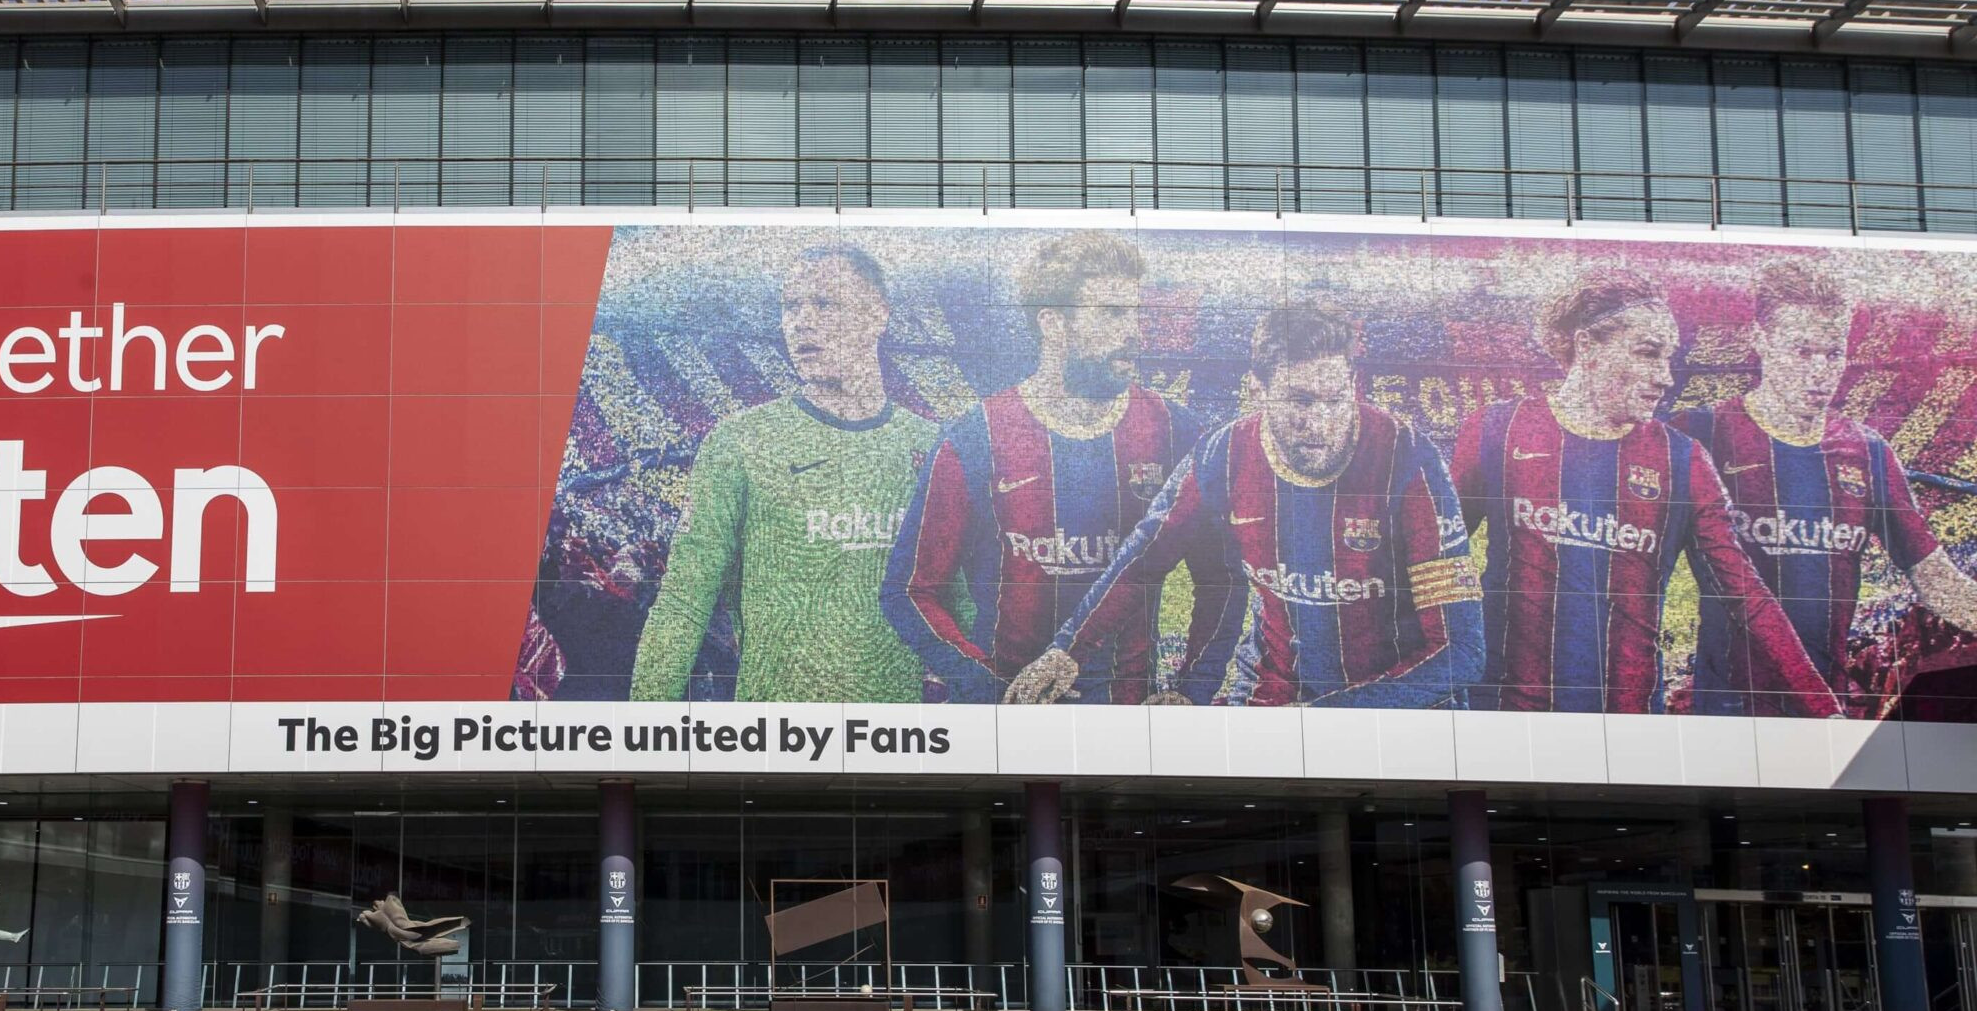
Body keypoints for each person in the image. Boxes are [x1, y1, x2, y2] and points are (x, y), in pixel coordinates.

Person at [1006, 300, 1483, 709]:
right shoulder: (1224, 454)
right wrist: (1067, 650)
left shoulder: (1408, 458)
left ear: (1353, 384)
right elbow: (1144, 558)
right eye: (1299, 401)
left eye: (1336, 400)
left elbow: (1461, 652)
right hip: (1278, 694)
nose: (1319, 422)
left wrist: (1332, 719)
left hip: (1401, 706)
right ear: (1259, 388)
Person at [1451, 270, 1838, 717]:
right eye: (1648, 354)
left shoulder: (1682, 459)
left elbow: (1746, 596)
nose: (1665, 378)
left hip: (1627, 727)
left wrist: (1824, 708)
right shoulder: (1498, 428)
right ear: (1587, 347)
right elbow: (1429, 564)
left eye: (1667, 358)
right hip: (1501, 715)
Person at [882, 232, 1232, 703]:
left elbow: (1223, 579)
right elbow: (909, 591)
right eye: (1110, 313)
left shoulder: (1179, 432)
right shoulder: (975, 435)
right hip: (1005, 719)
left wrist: (1192, 689)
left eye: (1135, 314)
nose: (1133, 333)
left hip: (1128, 720)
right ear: (1053, 322)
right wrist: (983, 685)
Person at [629, 245, 937, 702]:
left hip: (898, 742)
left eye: (824, 303)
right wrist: (643, 726)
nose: (801, 322)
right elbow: (683, 601)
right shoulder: (739, 442)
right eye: (790, 306)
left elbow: (960, 601)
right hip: (776, 742)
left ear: (877, 316)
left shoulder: (931, 446)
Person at [1673, 260, 1977, 715]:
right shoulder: (1701, 433)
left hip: (1826, 708)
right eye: (1802, 351)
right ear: (1762, 340)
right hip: (1726, 709)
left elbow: (1937, 581)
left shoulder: (1868, 451)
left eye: (1832, 353)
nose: (1820, 371)